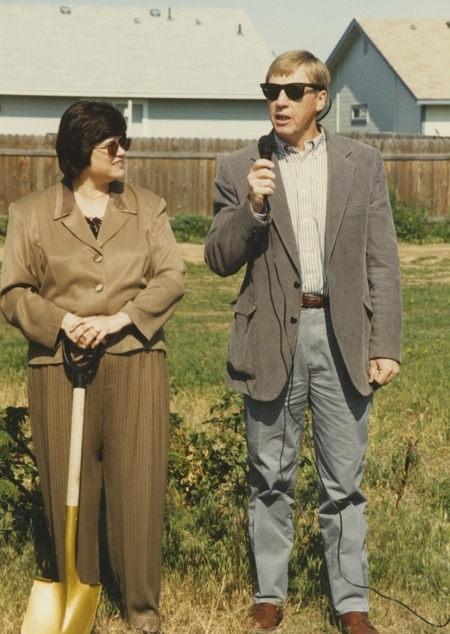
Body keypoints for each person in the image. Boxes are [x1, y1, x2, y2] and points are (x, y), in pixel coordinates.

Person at [205, 51, 402, 634]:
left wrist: (384, 340)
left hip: (342, 336)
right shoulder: (240, 164)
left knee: (344, 484)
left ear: (321, 98)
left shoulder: (362, 163)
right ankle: (270, 596)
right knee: (270, 477)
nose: (280, 100)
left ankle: (352, 605)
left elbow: (382, 261)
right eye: (271, 89)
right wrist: (253, 206)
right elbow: (218, 257)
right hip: (269, 333)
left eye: (294, 90)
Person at [0, 101, 185, 633]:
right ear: (83, 151)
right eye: (112, 145)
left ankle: (141, 611)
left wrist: (121, 319)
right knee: (69, 484)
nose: (123, 151)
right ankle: (82, 600)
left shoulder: (149, 208)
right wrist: (61, 322)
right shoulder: (30, 212)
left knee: (139, 486)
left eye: (124, 141)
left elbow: (171, 277)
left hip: (136, 360)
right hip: (59, 365)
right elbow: (12, 291)